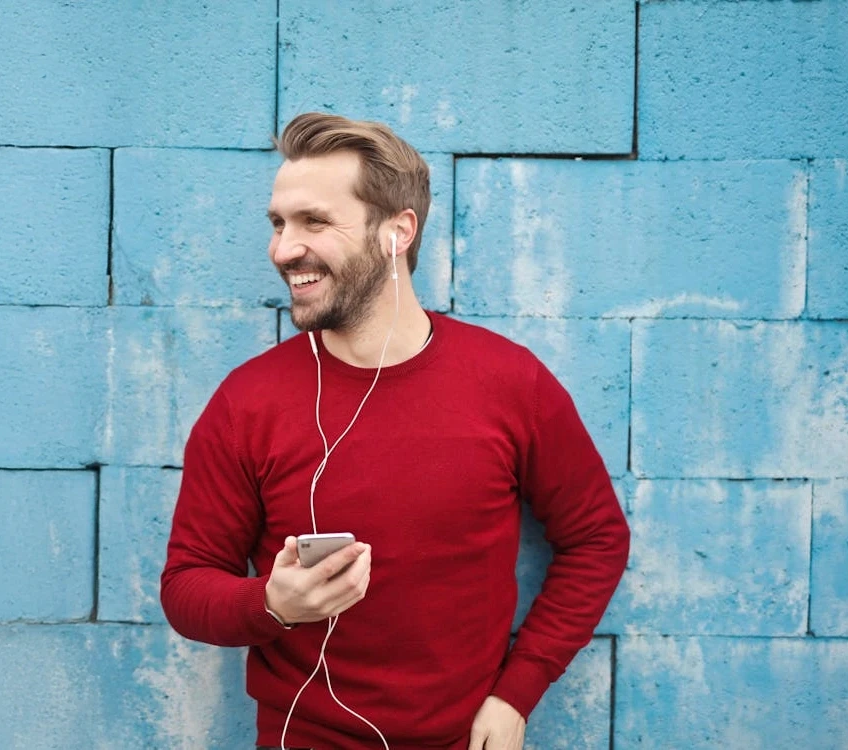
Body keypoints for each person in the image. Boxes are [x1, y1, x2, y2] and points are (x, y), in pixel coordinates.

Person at [159, 112, 630, 750]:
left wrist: (517, 693)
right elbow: (188, 585)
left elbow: (596, 539)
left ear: (396, 232)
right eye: (278, 223)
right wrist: (272, 605)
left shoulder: (508, 382)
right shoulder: (247, 403)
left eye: (315, 222)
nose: (282, 249)